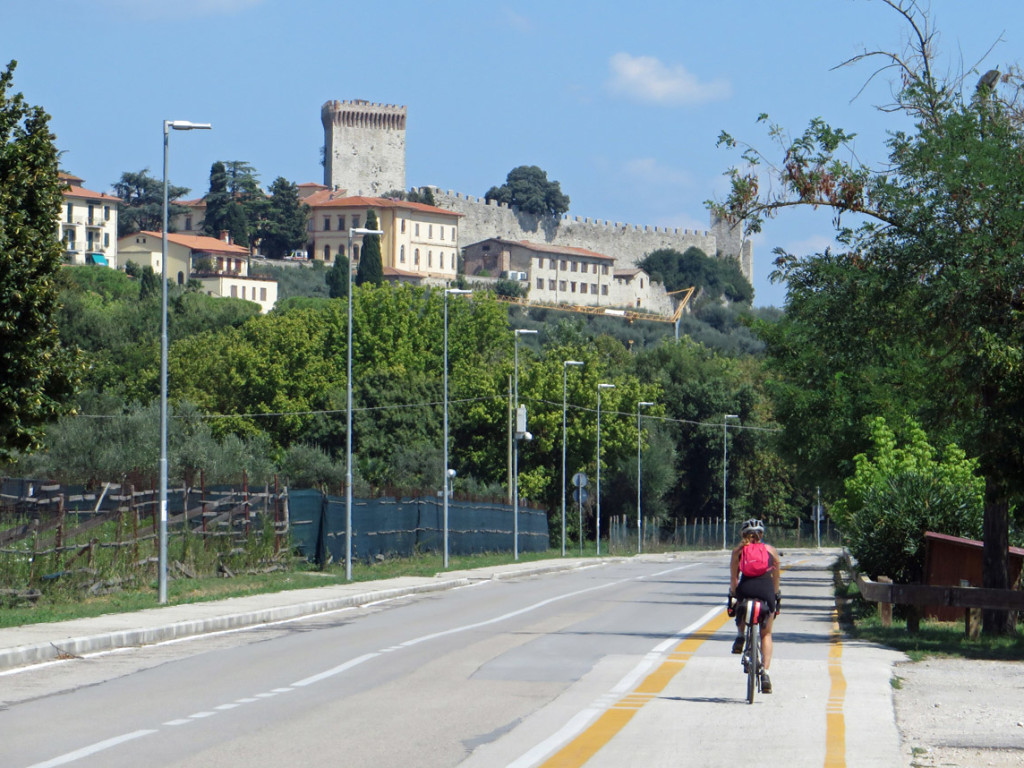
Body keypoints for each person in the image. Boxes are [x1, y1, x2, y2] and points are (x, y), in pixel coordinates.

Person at [728, 518, 781, 694]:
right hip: (765, 590)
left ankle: (741, 635)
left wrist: (734, 594)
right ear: (762, 534)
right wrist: (774, 595)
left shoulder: (738, 551)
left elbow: (734, 579)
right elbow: (776, 578)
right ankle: (765, 673)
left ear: (743, 535)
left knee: (740, 608)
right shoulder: (770, 551)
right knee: (766, 634)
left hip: (746, 588)